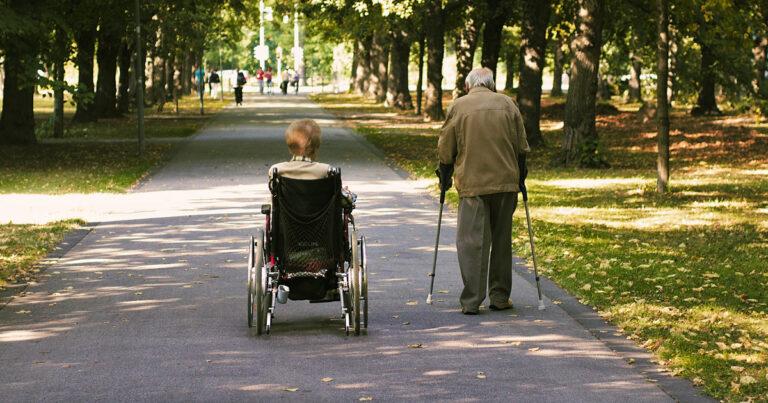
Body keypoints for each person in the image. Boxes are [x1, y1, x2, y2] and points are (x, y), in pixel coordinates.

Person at [437, 67, 530, 315]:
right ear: (491, 84)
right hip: (505, 182)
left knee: (471, 242)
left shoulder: (459, 106)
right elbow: (521, 146)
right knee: (501, 240)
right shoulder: (508, 105)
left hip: (472, 183)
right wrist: (521, 177)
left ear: (469, 86)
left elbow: (446, 147)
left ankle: (471, 301)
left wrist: (444, 173)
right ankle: (500, 297)